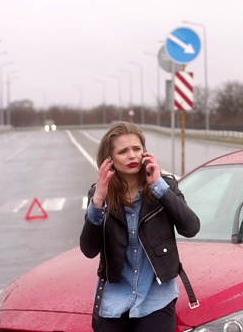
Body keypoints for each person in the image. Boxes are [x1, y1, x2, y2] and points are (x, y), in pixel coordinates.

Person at [80, 121, 200, 331]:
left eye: (136, 149)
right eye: (123, 151)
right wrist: (98, 200)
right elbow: (89, 250)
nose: (132, 155)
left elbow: (191, 227)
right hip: (114, 300)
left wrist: (159, 187)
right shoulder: (99, 194)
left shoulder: (165, 186)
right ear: (109, 159)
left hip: (156, 299)